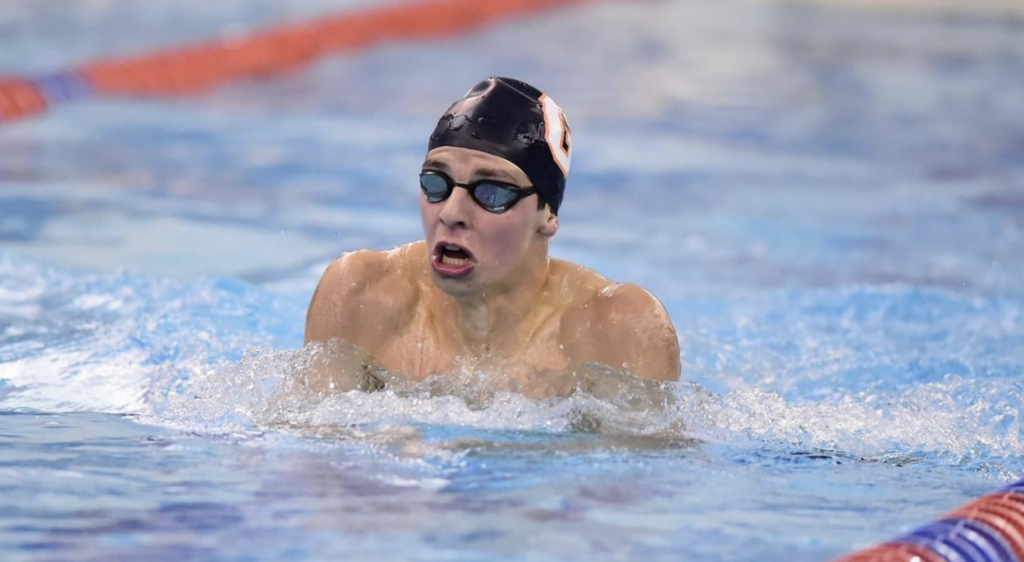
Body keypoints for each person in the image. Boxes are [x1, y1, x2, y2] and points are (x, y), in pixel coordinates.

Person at [304, 77, 680, 399]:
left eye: (492, 192)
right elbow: (315, 462)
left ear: (547, 214)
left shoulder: (617, 328)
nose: (451, 213)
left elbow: (640, 476)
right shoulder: (361, 293)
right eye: (437, 183)